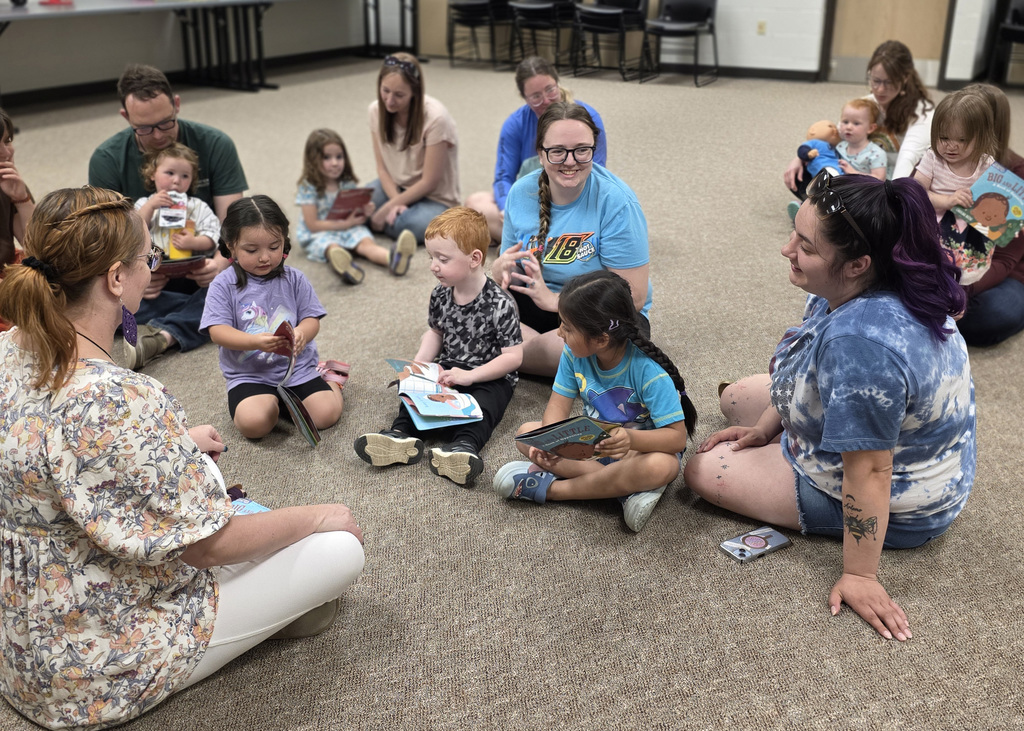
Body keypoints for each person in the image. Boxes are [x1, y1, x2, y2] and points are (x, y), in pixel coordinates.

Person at [0, 187, 364, 730]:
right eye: (149, 259)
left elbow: (57, 451)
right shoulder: (118, 398)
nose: (154, 270)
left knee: (203, 466)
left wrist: (176, 440)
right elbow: (207, 548)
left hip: (21, 638)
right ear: (116, 279)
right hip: (92, 667)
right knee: (338, 549)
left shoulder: (10, 349)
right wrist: (320, 515)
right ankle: (272, 611)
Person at [684, 171, 974, 642]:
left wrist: (860, 575)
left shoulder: (863, 346)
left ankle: (861, 548)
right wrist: (764, 427)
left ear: (857, 263)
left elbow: (871, 472)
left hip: (899, 499)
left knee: (703, 472)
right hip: (899, 441)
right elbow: (803, 373)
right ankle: (771, 432)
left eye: (806, 246)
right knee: (737, 397)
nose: (786, 249)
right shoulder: (877, 276)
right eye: (795, 233)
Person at [493, 270, 696, 533]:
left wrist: (630, 439)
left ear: (601, 339)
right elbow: (557, 405)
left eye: (567, 327)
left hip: (638, 451)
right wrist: (549, 440)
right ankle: (623, 491)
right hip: (594, 449)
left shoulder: (650, 373)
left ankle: (554, 490)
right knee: (525, 435)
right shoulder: (572, 353)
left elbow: (676, 440)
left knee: (663, 466)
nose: (558, 333)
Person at [88, 64, 248, 369]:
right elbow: (108, 238)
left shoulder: (215, 144)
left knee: (253, 269)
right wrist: (135, 279)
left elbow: (232, 223)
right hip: (146, 270)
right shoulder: (107, 159)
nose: (159, 135)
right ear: (126, 117)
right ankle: (197, 318)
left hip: (204, 264)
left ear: (177, 104)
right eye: (145, 128)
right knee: (94, 295)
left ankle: (162, 336)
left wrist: (218, 263)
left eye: (166, 123)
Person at [354, 207, 523, 487]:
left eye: (442, 259)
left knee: (485, 407)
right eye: (431, 257)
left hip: (489, 375)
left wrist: (470, 376)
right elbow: (435, 332)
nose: (433, 266)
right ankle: (400, 436)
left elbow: (514, 358)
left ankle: (463, 448)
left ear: (475, 259)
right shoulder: (440, 294)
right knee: (414, 397)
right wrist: (418, 365)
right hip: (447, 367)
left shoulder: (500, 303)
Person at [492, 101, 651, 377]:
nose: (570, 161)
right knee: (466, 306)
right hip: (537, 305)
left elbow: (633, 297)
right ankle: (534, 354)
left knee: (582, 345)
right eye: (557, 152)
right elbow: (510, 272)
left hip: (600, 313)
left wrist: (556, 301)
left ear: (594, 150)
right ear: (540, 154)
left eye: (581, 150)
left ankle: (507, 355)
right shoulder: (521, 193)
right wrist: (499, 270)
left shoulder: (617, 201)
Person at [200, 196, 345, 440]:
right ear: (231, 246)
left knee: (326, 416)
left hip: (296, 369)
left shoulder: (295, 278)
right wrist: (255, 342)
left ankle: (331, 380)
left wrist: (302, 333)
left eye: (274, 247)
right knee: (254, 425)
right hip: (249, 375)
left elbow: (312, 319)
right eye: (252, 250)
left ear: (284, 243)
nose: (264, 257)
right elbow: (217, 331)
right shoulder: (223, 284)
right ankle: (277, 403)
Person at [464, 55, 609, 243]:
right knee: (475, 203)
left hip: (576, 204)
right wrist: (506, 208)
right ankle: (548, 242)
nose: (546, 100)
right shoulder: (515, 124)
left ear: (557, 83)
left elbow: (597, 173)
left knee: (608, 211)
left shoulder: (588, 118)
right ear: (524, 98)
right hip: (533, 204)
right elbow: (503, 178)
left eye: (550, 90)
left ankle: (528, 242)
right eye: (536, 97)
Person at [784, 40, 934, 195]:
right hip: (857, 171)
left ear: (905, 78)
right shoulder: (868, 103)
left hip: (890, 179)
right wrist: (801, 158)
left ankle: (821, 207)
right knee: (799, 175)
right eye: (876, 81)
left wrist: (890, 198)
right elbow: (838, 136)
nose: (880, 89)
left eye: (889, 83)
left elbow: (906, 160)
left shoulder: (922, 114)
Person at [296, 128, 413, 284]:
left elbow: (352, 211)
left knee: (366, 243)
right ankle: (346, 267)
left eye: (339, 157)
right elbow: (312, 225)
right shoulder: (308, 188)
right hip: (321, 231)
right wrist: (346, 224)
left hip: (347, 226)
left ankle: (393, 259)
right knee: (332, 247)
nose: (335, 163)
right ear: (313, 160)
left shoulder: (346, 183)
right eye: (327, 157)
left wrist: (365, 210)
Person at [956, 83, 1024, 346]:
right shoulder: (938, 158)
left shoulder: (1016, 174)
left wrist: (959, 291)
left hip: (1000, 271)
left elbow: (1007, 259)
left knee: (994, 313)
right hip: (945, 258)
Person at [368, 53, 460, 247]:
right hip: (395, 188)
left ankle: (376, 225)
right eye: (385, 91)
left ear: (415, 92)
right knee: (356, 205)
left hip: (434, 198)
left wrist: (386, 210)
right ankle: (380, 223)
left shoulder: (436, 118)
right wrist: (395, 203)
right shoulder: (376, 110)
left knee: (409, 224)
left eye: (399, 95)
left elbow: (429, 182)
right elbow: (382, 169)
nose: (390, 101)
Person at [913, 89, 998, 285]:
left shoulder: (985, 163)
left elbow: (996, 202)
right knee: (925, 273)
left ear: (982, 137)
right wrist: (947, 201)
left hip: (969, 232)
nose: (952, 146)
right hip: (933, 224)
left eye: (962, 140)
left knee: (959, 280)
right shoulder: (933, 158)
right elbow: (916, 192)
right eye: (944, 138)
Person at [135, 142, 221, 257]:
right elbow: (133, 233)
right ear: (152, 174)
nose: (176, 180)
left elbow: (214, 234)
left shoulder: (198, 206)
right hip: (152, 266)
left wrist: (194, 242)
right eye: (170, 173)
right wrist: (150, 207)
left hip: (188, 264)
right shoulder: (144, 203)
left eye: (185, 176)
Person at [0, 107, 34, 333]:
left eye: (8, 141)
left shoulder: (7, 182)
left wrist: (21, 199)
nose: (6, 152)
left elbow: (38, 245)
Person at [836, 99, 887, 180]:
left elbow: (880, 179)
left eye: (856, 123)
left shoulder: (876, 153)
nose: (848, 127)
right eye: (845, 122)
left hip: (863, 190)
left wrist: (854, 173)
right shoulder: (840, 146)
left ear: (870, 128)